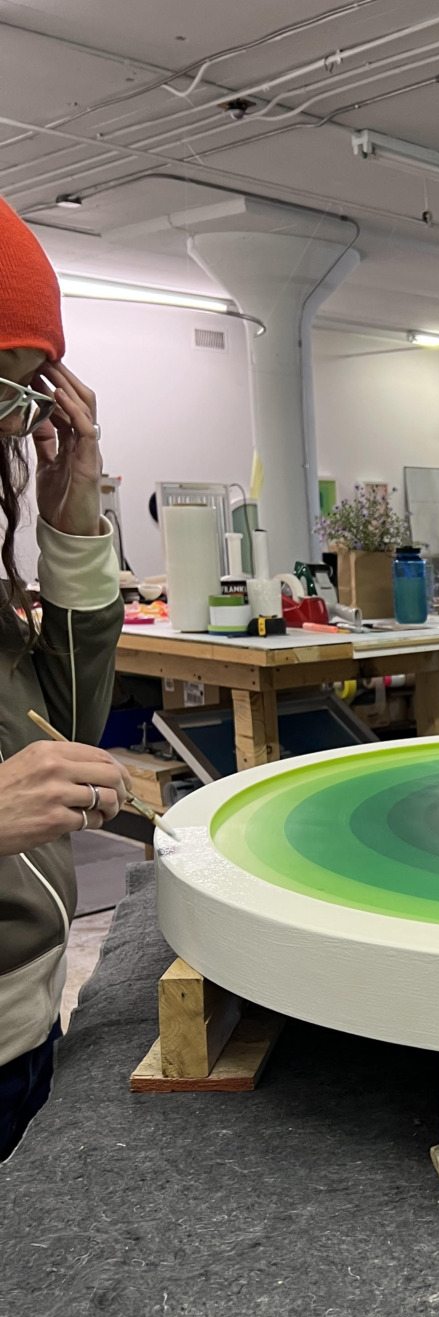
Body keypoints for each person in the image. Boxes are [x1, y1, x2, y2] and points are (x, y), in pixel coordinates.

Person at [0, 196, 130, 1160]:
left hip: (27, 1022)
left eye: (24, 399)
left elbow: (67, 729)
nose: (11, 428)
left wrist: (73, 520)